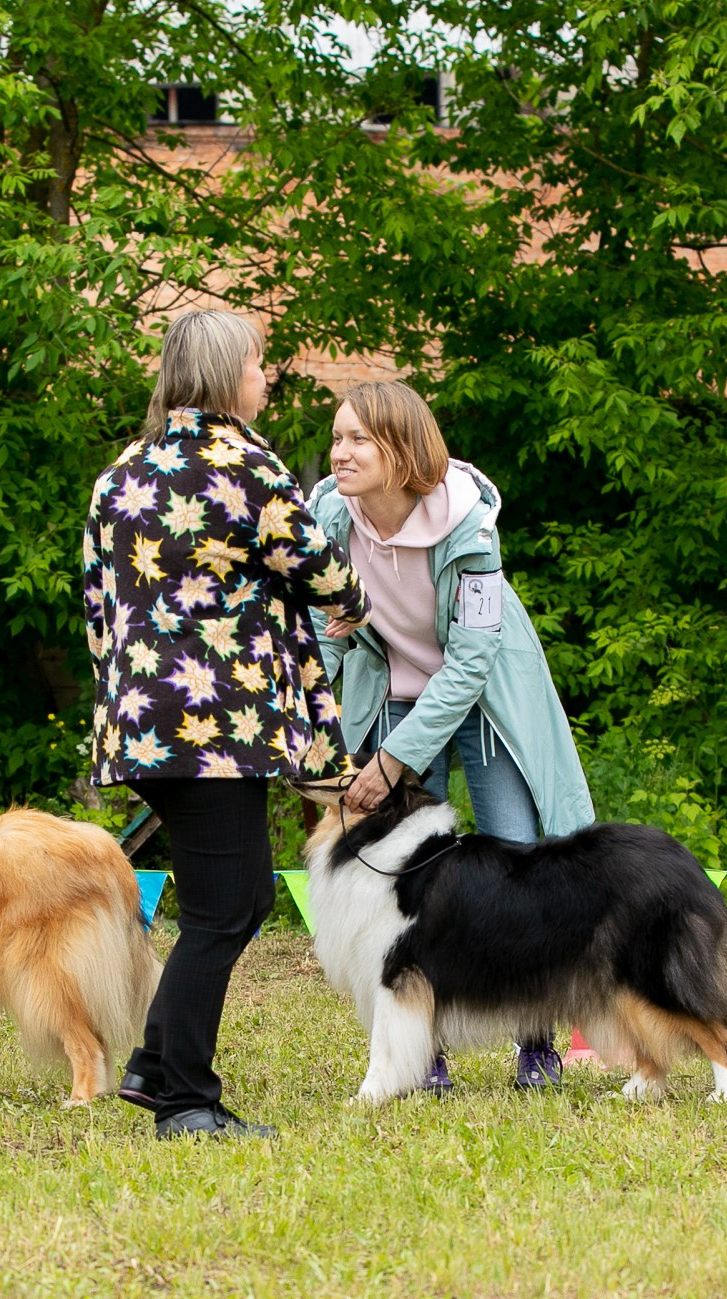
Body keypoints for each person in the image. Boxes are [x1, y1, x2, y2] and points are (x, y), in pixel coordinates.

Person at [83, 310, 369, 1140]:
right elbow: (317, 566)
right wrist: (351, 605)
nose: (266, 377)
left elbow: (99, 610)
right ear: (222, 375)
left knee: (232, 897)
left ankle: (154, 1064)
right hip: (215, 722)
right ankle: (186, 1098)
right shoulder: (242, 462)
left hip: (139, 722)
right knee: (226, 909)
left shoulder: (122, 473)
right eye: (258, 364)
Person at [307, 379, 597, 1092]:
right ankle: (421, 1050)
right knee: (403, 882)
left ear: (402, 451)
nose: (339, 453)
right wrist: (325, 714)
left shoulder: (468, 524)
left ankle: (537, 1043)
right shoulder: (329, 517)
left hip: (485, 694)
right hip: (394, 694)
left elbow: (471, 660)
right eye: (336, 437)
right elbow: (322, 632)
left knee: (520, 863)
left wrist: (395, 759)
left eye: (357, 440)